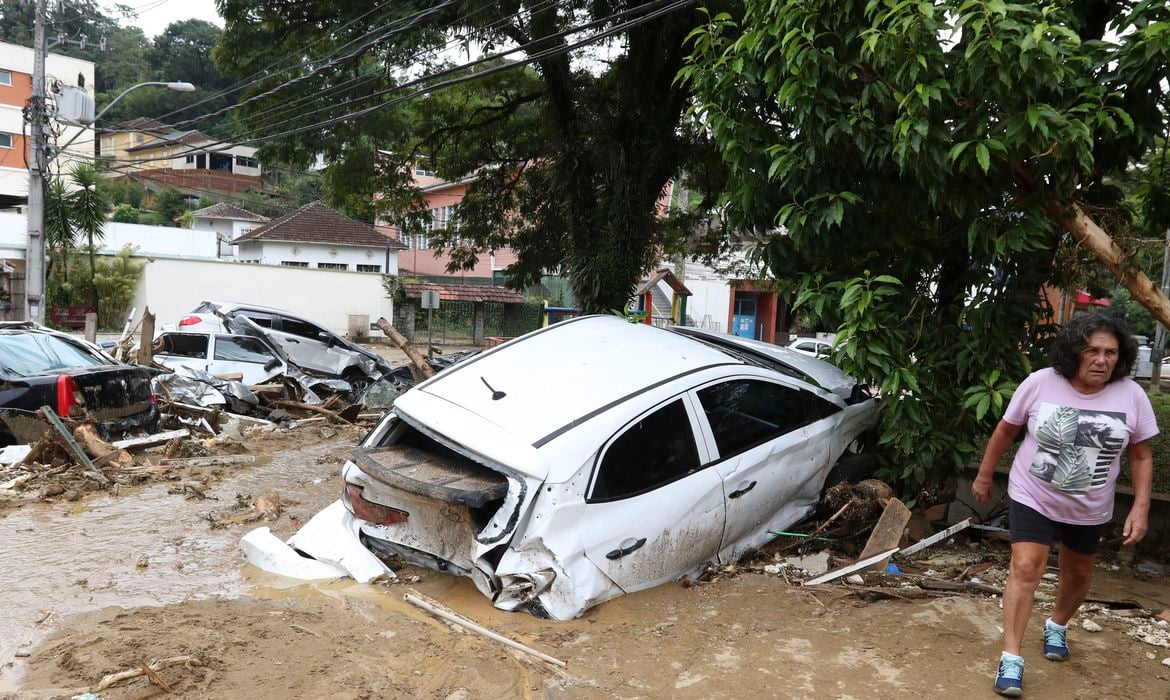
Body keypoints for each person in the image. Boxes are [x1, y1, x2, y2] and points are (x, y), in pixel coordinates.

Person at [972, 313, 1156, 697]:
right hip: (1033, 495)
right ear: (1075, 351)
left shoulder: (1132, 395)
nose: (1102, 360)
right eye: (1092, 351)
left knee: (1077, 577)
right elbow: (1006, 430)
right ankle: (1011, 657)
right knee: (1025, 567)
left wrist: (1140, 507)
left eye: (1110, 352)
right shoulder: (1041, 383)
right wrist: (985, 475)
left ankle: (1056, 624)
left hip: (1089, 506)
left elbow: (1140, 455)